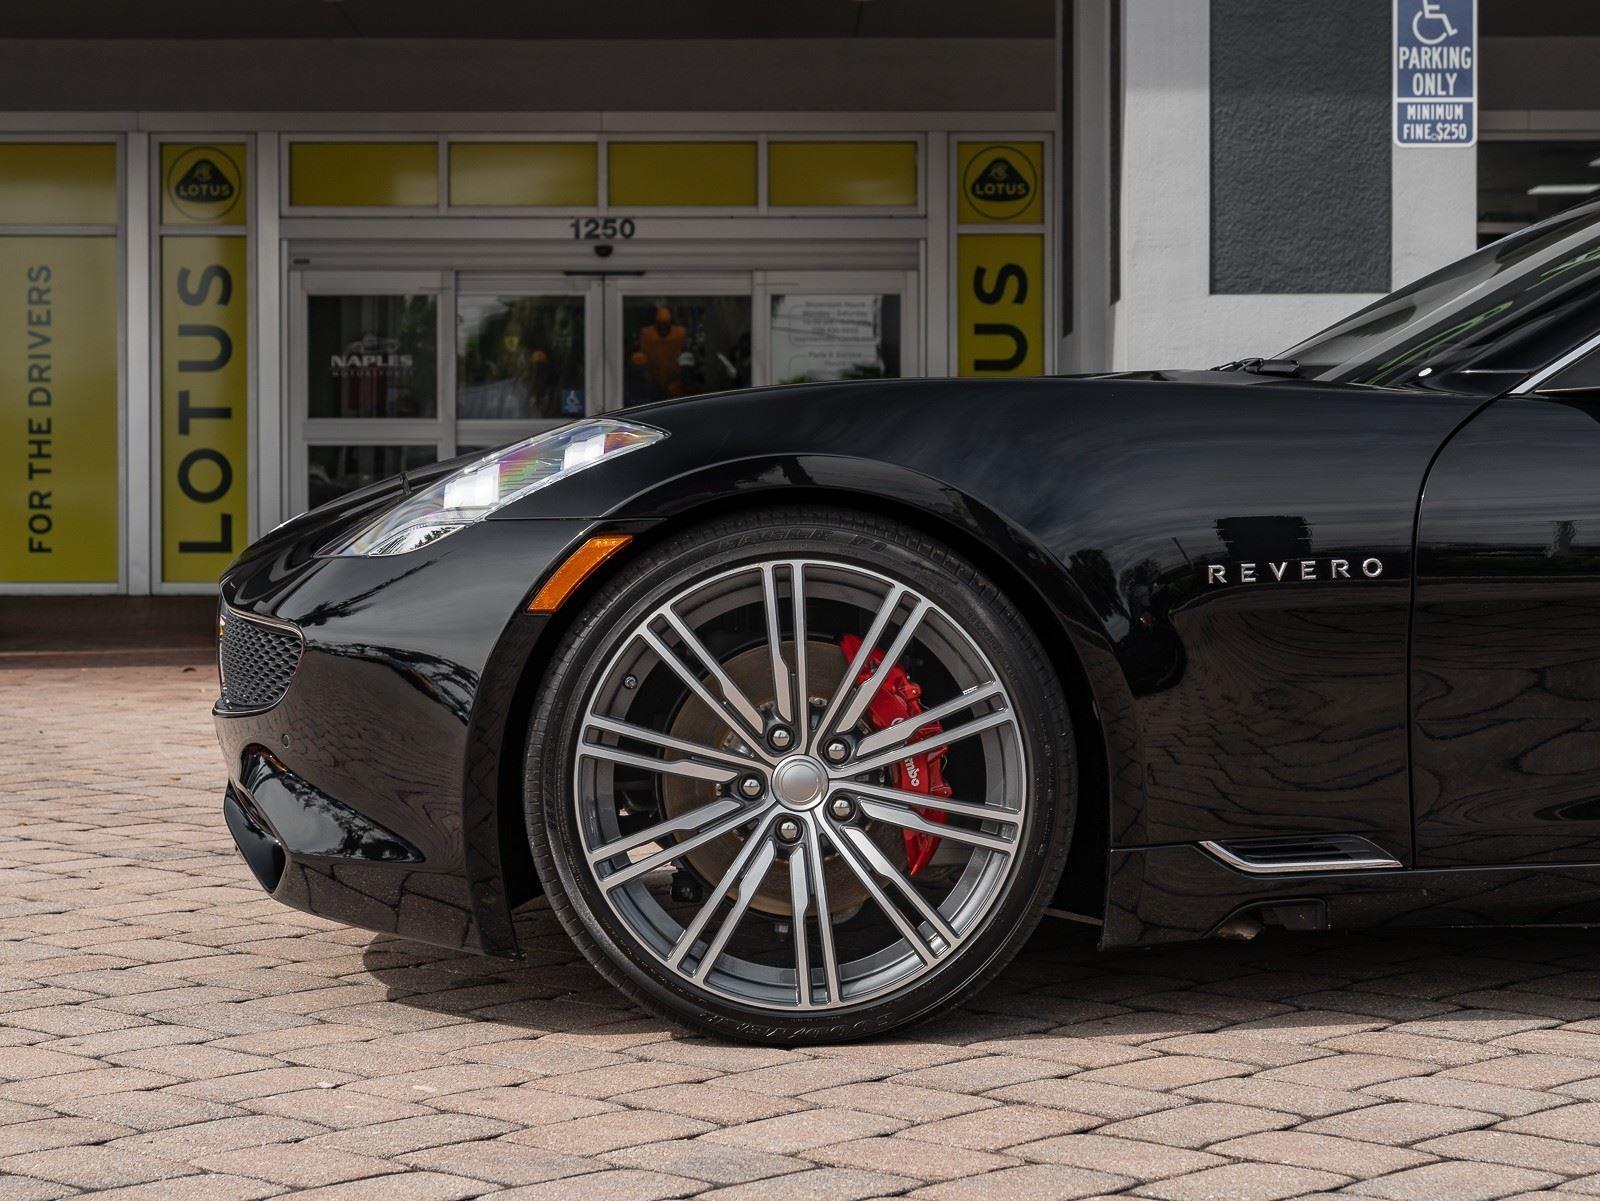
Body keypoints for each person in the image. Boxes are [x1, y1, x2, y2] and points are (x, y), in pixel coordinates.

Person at [637, 305, 687, 399]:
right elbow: (641, 355)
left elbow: (684, 354)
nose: (663, 328)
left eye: (666, 324)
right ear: (656, 323)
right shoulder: (646, 334)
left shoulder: (679, 333)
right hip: (653, 380)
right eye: (661, 324)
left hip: (674, 380)